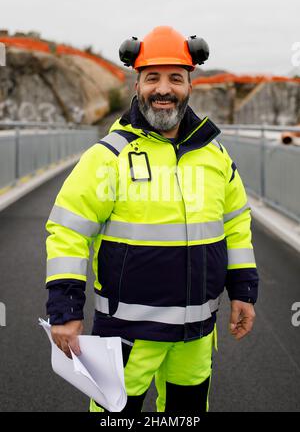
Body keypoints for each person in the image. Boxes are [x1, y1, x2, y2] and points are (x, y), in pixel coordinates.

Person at [45, 26, 259, 413]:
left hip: (195, 337)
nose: (164, 89)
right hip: (126, 339)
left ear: (189, 84)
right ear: (138, 83)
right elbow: (68, 231)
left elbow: (235, 225)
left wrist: (243, 290)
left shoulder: (215, 155)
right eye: (152, 78)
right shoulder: (109, 156)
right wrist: (65, 309)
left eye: (175, 78)